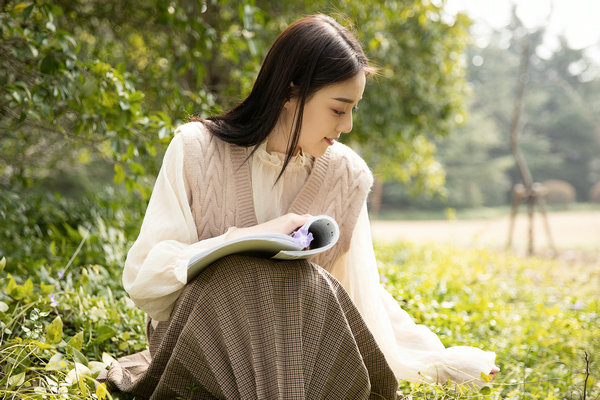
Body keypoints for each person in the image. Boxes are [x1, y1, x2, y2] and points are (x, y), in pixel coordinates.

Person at [102, 13, 498, 399]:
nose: (347, 127)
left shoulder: (347, 174)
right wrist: (246, 237)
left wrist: (441, 361)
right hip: (206, 339)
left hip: (299, 345)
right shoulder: (196, 149)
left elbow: (361, 294)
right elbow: (146, 280)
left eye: (353, 110)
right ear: (290, 92)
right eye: (338, 109)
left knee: (304, 284)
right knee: (243, 277)